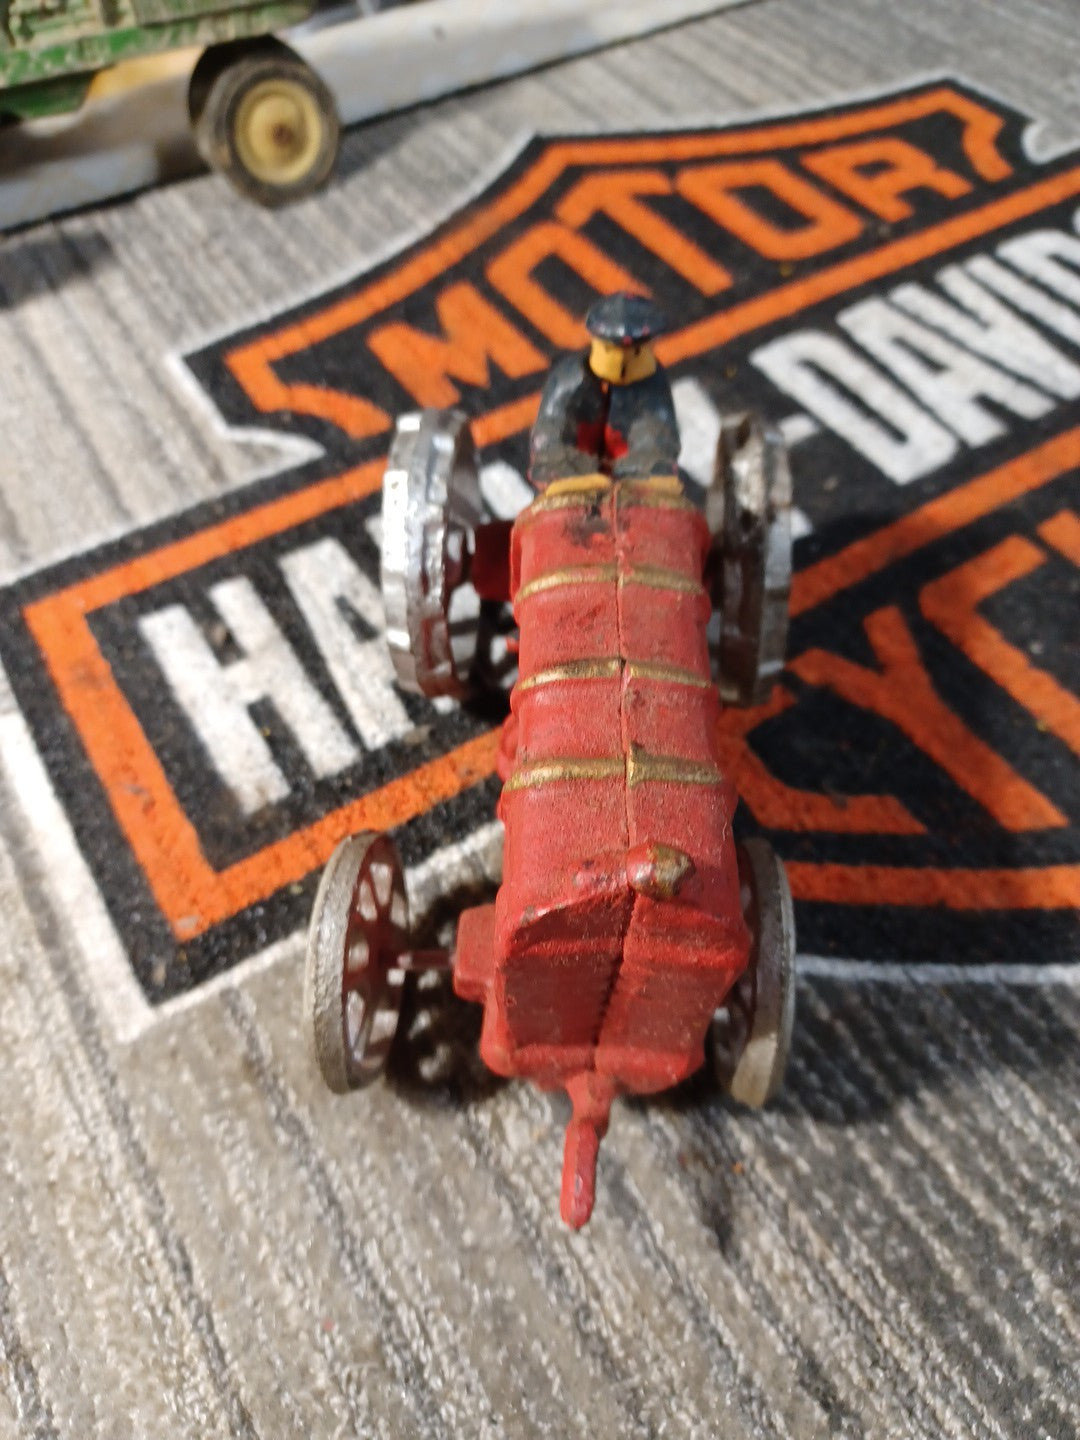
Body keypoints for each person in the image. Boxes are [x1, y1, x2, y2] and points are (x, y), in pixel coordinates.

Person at [528, 292, 681, 487]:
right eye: (611, 350)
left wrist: (645, 465)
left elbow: (657, 433)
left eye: (635, 351)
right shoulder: (567, 379)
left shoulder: (652, 385)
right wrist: (562, 463)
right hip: (570, 480)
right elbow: (550, 428)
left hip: (628, 486)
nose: (623, 361)